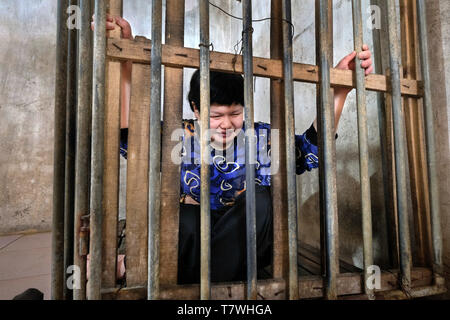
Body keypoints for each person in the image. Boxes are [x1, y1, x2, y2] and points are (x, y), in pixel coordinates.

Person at [92, 15, 373, 284]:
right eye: (215, 116)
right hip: (195, 242)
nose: (226, 124)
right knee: (185, 218)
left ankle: (158, 274)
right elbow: (131, 135)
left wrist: (339, 91)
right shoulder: (179, 136)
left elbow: (310, 150)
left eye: (235, 113)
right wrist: (125, 59)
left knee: (261, 199)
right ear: (195, 109)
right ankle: (214, 282)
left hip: (248, 243)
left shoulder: (260, 137)